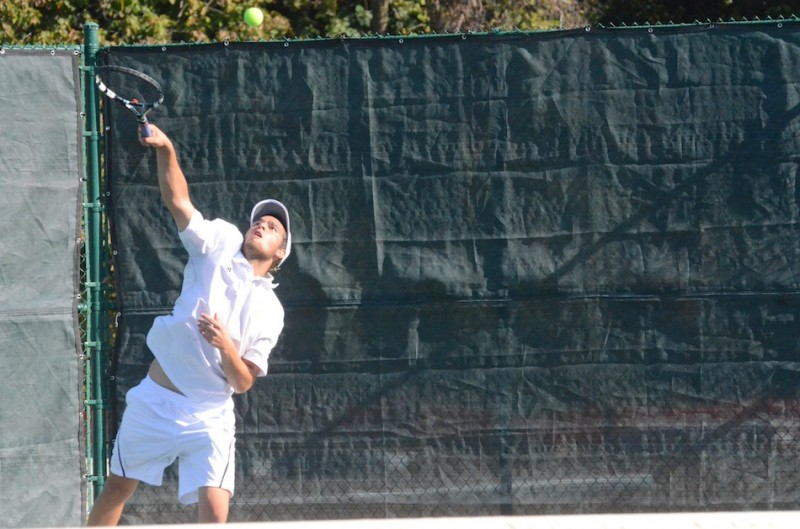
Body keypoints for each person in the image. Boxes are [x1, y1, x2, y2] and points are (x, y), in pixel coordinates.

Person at [87, 123, 292, 525]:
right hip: (156, 402)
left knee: (215, 516)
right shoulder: (218, 241)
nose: (262, 225)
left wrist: (224, 345)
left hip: (210, 416)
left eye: (272, 228)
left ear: (280, 253)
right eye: (259, 221)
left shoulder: (271, 310)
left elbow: (243, 382)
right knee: (116, 488)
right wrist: (166, 149)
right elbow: (178, 200)